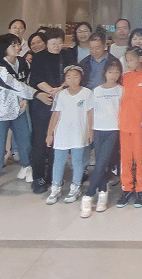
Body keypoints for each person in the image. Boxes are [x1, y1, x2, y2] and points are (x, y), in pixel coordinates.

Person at [0, 33, 35, 200]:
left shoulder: (24, 63)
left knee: (25, 140)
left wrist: (25, 98)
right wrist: (35, 94)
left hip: (20, 109)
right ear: (4, 48)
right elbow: (14, 84)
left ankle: (26, 166)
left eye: (18, 44)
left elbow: (26, 83)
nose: (18, 48)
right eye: (13, 45)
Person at [45, 65, 93, 205]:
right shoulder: (61, 94)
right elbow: (55, 114)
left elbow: (90, 114)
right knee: (58, 161)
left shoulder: (87, 93)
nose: (72, 80)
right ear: (65, 79)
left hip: (79, 132)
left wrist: (90, 131)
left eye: (76, 76)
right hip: (62, 133)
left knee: (77, 162)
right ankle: (56, 186)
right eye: (69, 77)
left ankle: (76, 186)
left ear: (81, 77)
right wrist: (50, 133)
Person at [81, 58, 123, 217]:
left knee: (101, 164)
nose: (114, 75)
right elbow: (91, 112)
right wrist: (90, 130)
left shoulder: (121, 90)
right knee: (101, 164)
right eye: (111, 71)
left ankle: (88, 195)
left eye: (117, 72)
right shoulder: (96, 91)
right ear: (105, 72)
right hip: (98, 130)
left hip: (114, 130)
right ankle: (103, 193)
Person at [28, 27, 66, 194]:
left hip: (62, 103)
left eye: (59, 43)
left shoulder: (67, 55)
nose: (56, 46)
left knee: (57, 140)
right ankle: (38, 177)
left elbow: (73, 74)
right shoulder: (39, 57)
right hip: (43, 103)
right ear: (46, 43)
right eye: (53, 43)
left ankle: (53, 175)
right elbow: (36, 79)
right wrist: (52, 91)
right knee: (40, 140)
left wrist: (60, 89)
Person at [117, 47, 142, 208]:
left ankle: (141, 189)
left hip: (140, 126)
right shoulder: (125, 77)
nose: (128, 63)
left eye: (131, 59)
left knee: (140, 159)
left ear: (140, 59)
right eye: (127, 60)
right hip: (124, 125)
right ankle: (126, 188)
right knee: (125, 159)